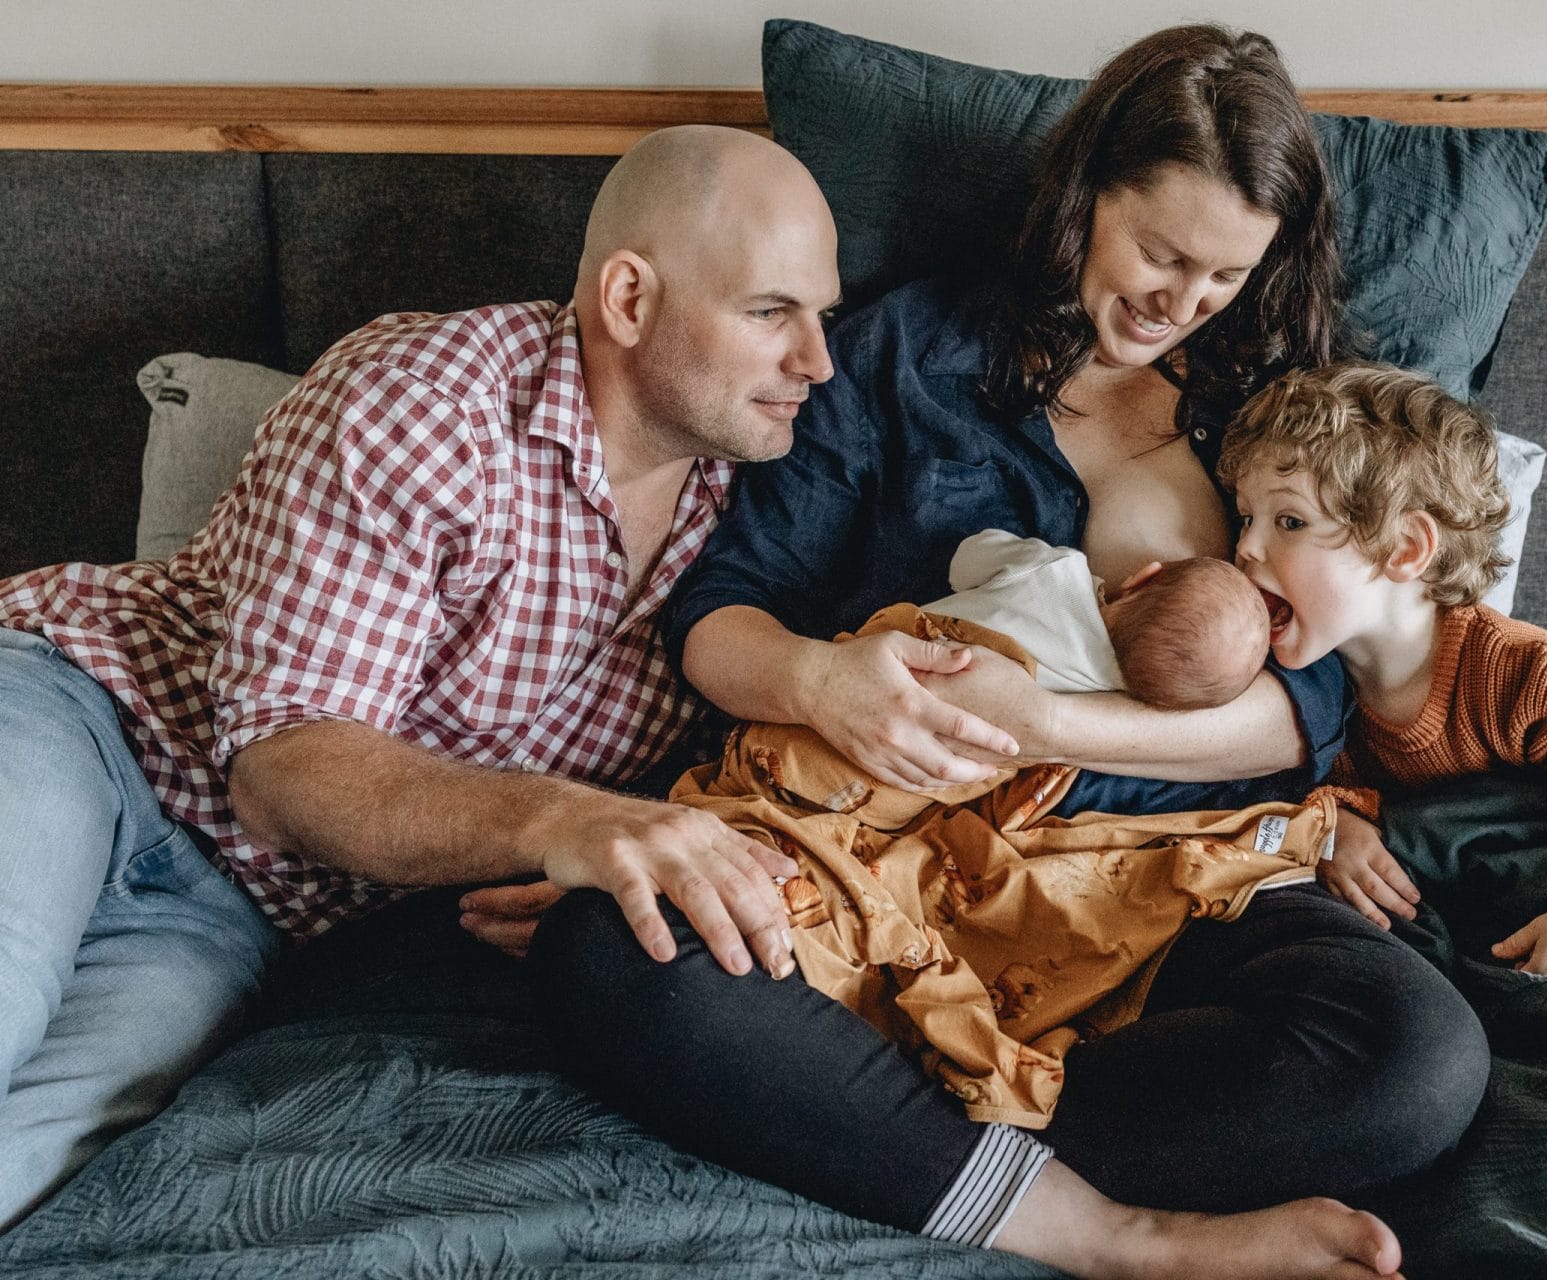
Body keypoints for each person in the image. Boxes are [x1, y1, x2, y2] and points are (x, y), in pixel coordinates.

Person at [532, 25, 1489, 1280]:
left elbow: (1307, 705)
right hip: (890, 849)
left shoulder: (1282, 410)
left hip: (1171, 863)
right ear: (1088, 194)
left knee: (1416, 1062)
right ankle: (1109, 1230)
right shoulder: (899, 358)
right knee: (607, 952)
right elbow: (723, 605)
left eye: (1223, 275)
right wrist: (820, 680)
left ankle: (875, 1115)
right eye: (1159, 250)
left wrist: (1050, 727)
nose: (1179, 301)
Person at [0, 124, 841, 1228]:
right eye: (772, 312)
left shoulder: (754, 528)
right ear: (630, 300)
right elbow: (287, 762)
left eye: (824, 315)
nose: (817, 362)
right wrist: (568, 822)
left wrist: (588, 871)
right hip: (87, 719)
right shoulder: (430, 401)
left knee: (29, 1166)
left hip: (237, 914)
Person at [1222, 360, 1547, 987]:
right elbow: (1269, 797)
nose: (1245, 547)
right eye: (1247, 518)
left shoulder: (1508, 668)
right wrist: (1334, 825)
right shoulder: (1306, 694)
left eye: (1290, 521)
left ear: (1405, 549)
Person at [925, 529, 1270, 708]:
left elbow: (965, 561)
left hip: (912, 643)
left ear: (1143, 577)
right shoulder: (1099, 699)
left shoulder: (1057, 571)